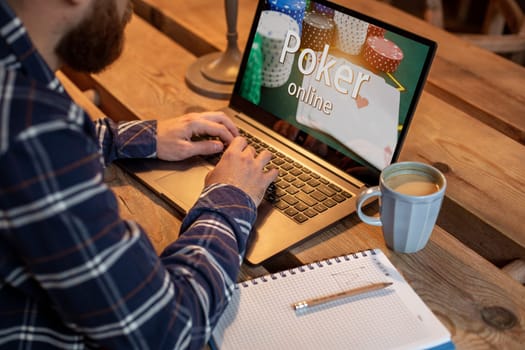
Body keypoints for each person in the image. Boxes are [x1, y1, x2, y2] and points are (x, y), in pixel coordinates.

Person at [0, 0, 278, 349]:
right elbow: (167, 331)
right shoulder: (31, 127)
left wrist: (133, 137)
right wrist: (233, 194)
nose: (129, 7)